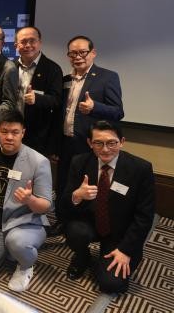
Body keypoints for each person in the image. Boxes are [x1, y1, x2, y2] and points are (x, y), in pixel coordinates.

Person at [61, 121, 154, 294]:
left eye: (112, 143)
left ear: (122, 142)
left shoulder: (140, 169)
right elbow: (64, 205)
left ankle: (105, 260)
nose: (105, 149)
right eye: (98, 143)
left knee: (112, 284)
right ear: (90, 143)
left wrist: (126, 250)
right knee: (75, 231)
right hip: (90, 224)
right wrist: (77, 196)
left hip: (122, 233)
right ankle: (83, 256)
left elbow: (144, 217)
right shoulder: (79, 162)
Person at [0, 110, 52, 292]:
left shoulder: (39, 161)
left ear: (23, 133)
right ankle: (9, 250)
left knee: (17, 242)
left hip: (25, 222)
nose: (9, 137)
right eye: (4, 131)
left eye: (15, 132)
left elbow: (46, 206)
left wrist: (30, 199)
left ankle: (26, 266)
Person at [53, 35, 124, 235]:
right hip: (66, 142)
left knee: (89, 184)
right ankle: (62, 220)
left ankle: (87, 223)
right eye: (72, 53)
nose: (78, 57)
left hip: (91, 145)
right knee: (63, 184)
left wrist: (95, 107)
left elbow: (118, 111)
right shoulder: (65, 80)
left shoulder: (107, 77)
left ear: (93, 53)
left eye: (82, 52)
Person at [14, 26, 63, 157]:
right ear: (16, 45)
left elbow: (57, 100)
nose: (28, 45)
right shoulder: (10, 67)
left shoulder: (52, 69)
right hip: (12, 131)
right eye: (23, 42)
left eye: (32, 41)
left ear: (39, 43)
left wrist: (38, 98)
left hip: (39, 135)